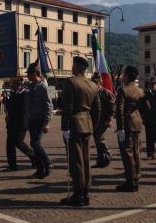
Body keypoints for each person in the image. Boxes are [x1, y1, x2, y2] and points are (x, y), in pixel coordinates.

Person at [60, 56, 101, 206]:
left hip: (75, 124)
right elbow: (97, 109)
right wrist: (93, 125)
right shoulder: (92, 85)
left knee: (76, 162)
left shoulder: (71, 82)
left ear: (76, 67)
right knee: (86, 160)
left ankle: (78, 195)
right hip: (87, 124)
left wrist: (65, 127)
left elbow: (68, 107)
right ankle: (85, 193)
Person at [115, 66, 148, 192]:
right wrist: (141, 117)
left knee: (127, 153)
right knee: (136, 151)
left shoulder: (123, 90)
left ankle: (131, 180)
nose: (123, 77)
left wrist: (120, 128)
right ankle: (136, 177)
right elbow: (146, 107)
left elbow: (120, 110)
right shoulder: (140, 91)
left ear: (128, 76)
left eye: (124, 75)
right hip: (137, 122)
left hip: (127, 123)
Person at [26, 62, 53, 179]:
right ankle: (40, 169)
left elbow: (49, 106)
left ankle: (47, 163)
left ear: (34, 74)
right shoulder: (30, 86)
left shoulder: (43, 87)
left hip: (40, 119)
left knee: (34, 143)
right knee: (35, 144)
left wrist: (47, 122)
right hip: (32, 119)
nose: (27, 76)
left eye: (28, 74)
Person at [3, 77, 35, 172]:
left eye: (13, 84)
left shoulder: (25, 94)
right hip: (11, 124)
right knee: (9, 145)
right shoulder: (13, 94)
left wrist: (11, 116)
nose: (12, 86)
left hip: (21, 123)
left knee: (19, 142)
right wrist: (5, 100)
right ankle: (12, 165)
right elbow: (10, 106)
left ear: (19, 85)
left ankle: (35, 157)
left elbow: (23, 110)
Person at [91, 72, 116, 168]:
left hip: (103, 120)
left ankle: (108, 155)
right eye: (93, 81)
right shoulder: (92, 92)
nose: (95, 83)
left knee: (100, 138)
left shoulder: (106, 92)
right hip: (95, 120)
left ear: (100, 82)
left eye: (96, 81)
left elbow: (113, 106)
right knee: (97, 140)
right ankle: (101, 160)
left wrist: (110, 119)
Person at [144, 76, 156, 160]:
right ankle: (150, 153)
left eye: (154, 84)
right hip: (148, 119)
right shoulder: (146, 94)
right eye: (151, 84)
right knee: (149, 138)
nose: (152, 85)